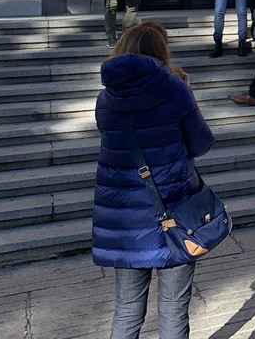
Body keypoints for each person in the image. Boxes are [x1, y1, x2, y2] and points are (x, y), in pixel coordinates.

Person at [92, 21, 214, 338]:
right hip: (173, 215)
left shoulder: (106, 99)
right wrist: (188, 94)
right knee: (173, 309)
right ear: (162, 51)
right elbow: (201, 144)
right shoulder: (176, 90)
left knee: (127, 310)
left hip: (124, 220)